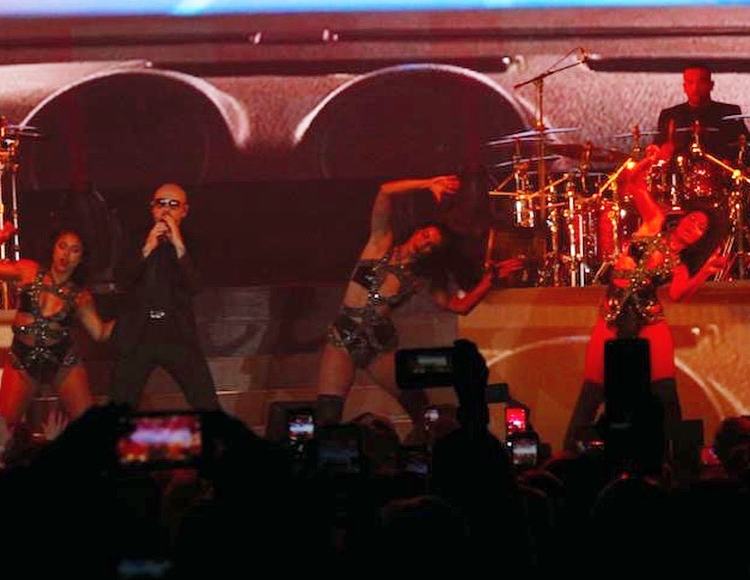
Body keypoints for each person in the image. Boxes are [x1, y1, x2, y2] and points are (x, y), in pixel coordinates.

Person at [314, 174, 524, 428]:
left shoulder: (419, 279)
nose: (424, 243)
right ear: (416, 231)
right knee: (328, 414)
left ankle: (430, 444)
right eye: (425, 235)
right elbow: (385, 191)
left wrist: (489, 280)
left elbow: (460, 306)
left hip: (377, 345)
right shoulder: (379, 243)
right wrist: (427, 184)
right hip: (343, 337)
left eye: (431, 246)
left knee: (420, 409)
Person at [563, 142, 729, 452]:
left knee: (665, 389)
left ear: (700, 239)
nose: (694, 226)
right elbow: (633, 183)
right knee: (594, 388)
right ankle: (569, 454)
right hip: (613, 314)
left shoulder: (680, 266)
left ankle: (677, 459)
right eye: (693, 219)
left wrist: (705, 271)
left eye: (701, 228)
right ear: (681, 219)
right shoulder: (653, 222)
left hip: (650, 320)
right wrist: (647, 161)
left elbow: (678, 295)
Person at [0, 222, 114, 452]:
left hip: (62, 361)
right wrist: (1, 237)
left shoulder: (80, 296)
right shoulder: (28, 271)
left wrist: (131, 319)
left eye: (74, 250)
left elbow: (99, 333)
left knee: (90, 429)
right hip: (22, 360)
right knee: (2, 430)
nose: (66, 255)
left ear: (81, 258)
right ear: (53, 248)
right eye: (62, 246)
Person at [108, 183, 220, 411]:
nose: (166, 210)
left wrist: (179, 246)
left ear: (184, 211)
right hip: (138, 333)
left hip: (176, 332)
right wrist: (147, 248)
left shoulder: (192, 243)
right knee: (120, 405)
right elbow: (121, 280)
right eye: (161, 204)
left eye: (173, 205)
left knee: (206, 403)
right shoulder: (135, 238)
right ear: (152, 208)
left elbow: (196, 286)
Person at [654, 64, 749, 162]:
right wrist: (664, 149)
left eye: (701, 83)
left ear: (711, 85)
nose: (695, 88)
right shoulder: (669, 115)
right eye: (690, 83)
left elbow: (745, 146)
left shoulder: (730, 113)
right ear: (684, 87)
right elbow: (657, 151)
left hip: (720, 169)